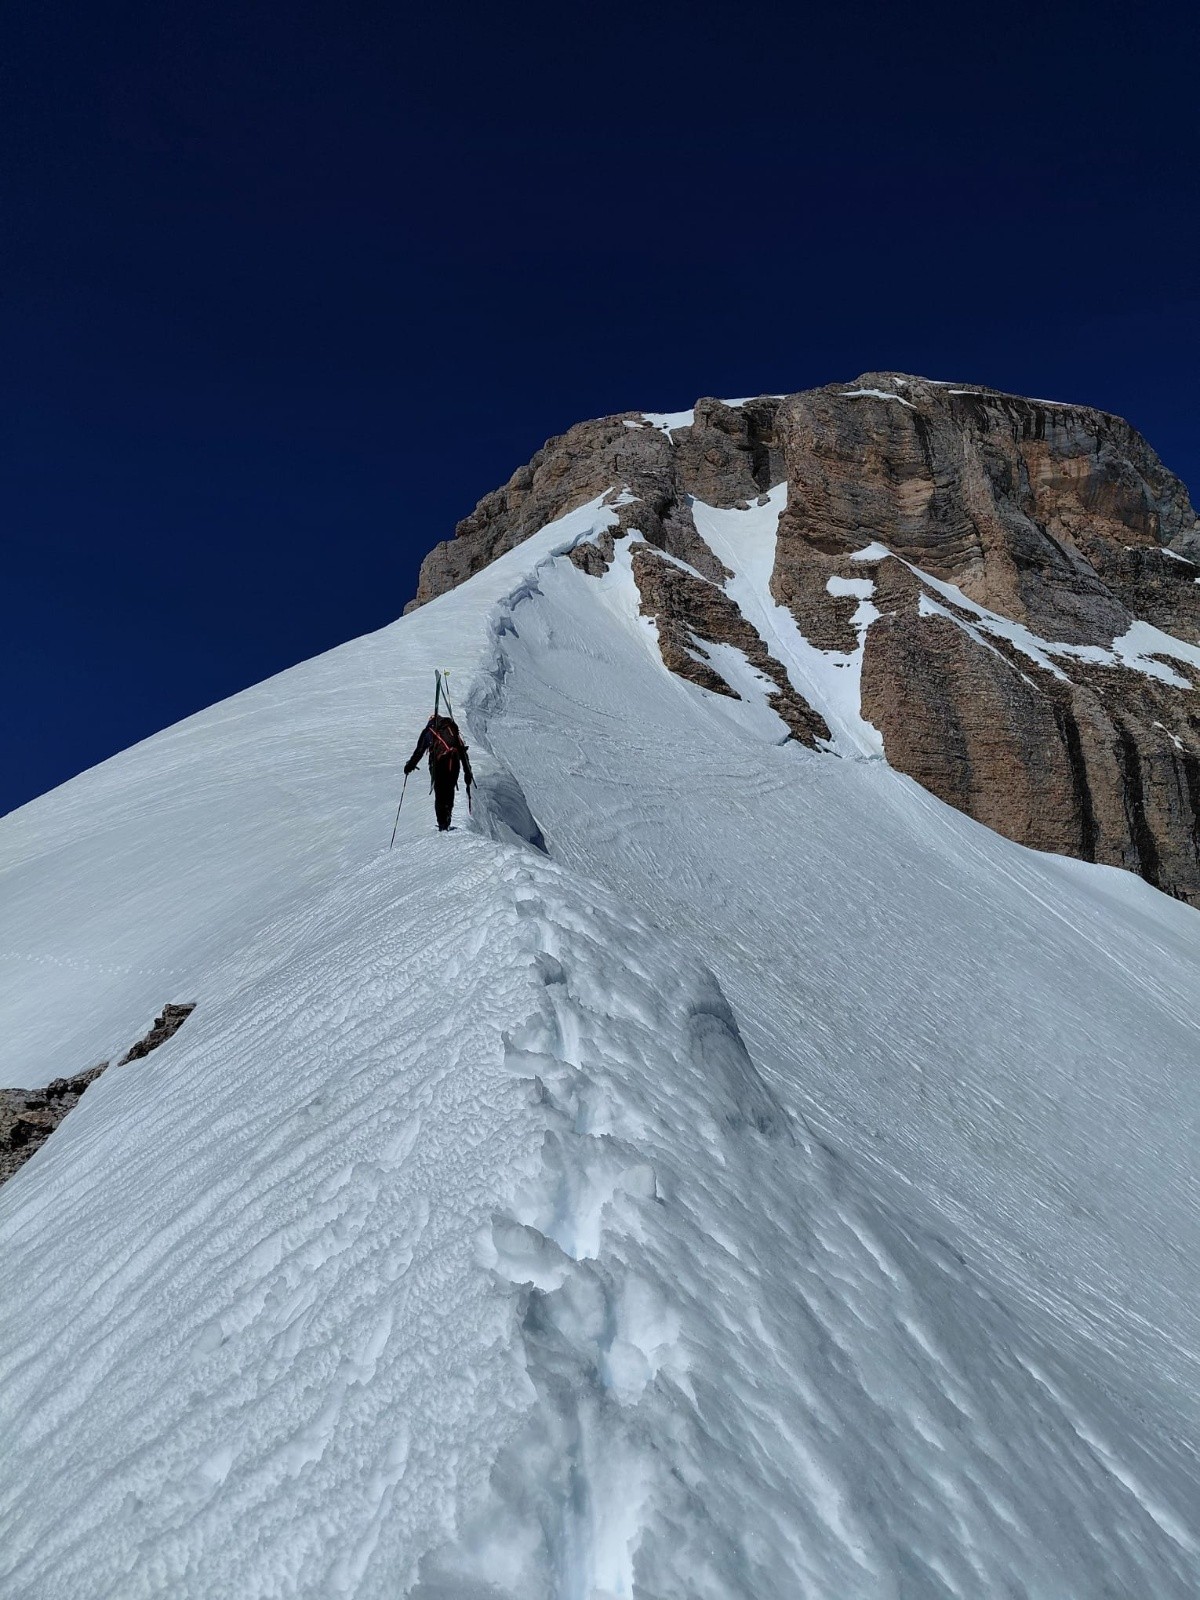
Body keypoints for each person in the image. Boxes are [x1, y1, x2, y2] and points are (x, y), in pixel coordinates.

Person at [404, 714, 474, 832]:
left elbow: (420, 750)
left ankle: (442, 824)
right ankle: (447, 820)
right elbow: (462, 752)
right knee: (449, 790)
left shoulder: (429, 731)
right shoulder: (452, 729)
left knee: (440, 793)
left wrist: (409, 766)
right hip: (454, 762)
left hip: (440, 763)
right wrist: (468, 773)